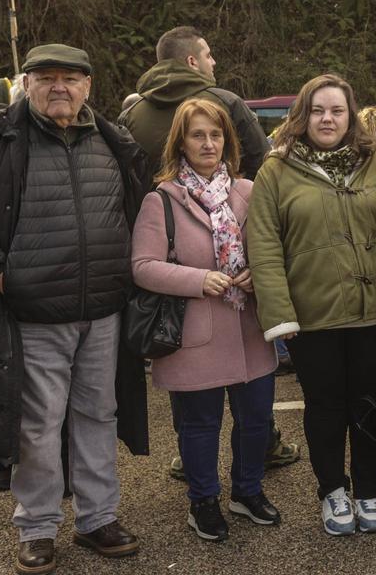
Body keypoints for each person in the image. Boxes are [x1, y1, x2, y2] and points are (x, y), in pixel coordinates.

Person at [0, 44, 149, 575]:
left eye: (70, 79)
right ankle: (38, 526)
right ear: (25, 83)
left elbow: (139, 209)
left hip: (102, 309)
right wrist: (0, 271)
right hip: (30, 310)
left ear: (88, 86)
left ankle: (98, 518)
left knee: (99, 415)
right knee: (38, 423)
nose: (59, 88)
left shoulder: (112, 139)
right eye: (46, 77)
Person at [248, 74, 376, 536]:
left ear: (351, 115)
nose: (327, 119)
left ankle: (369, 491)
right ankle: (333, 490)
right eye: (318, 110)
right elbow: (264, 246)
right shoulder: (276, 170)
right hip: (312, 316)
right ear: (303, 116)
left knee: (369, 406)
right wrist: (279, 315)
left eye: (336, 110)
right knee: (325, 408)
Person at [131, 98, 279, 541]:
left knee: (256, 420)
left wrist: (258, 271)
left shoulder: (249, 191)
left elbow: (272, 250)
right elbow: (142, 266)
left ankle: (247, 490)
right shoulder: (161, 200)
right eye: (198, 135)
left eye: (216, 134)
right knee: (200, 426)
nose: (208, 143)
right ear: (181, 141)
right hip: (196, 333)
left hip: (250, 329)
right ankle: (204, 501)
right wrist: (200, 279)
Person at [119, 26, 269, 180]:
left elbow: (124, 176)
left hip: (150, 203)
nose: (213, 62)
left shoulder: (130, 115)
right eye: (208, 56)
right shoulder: (227, 103)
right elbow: (263, 163)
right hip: (224, 201)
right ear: (192, 61)